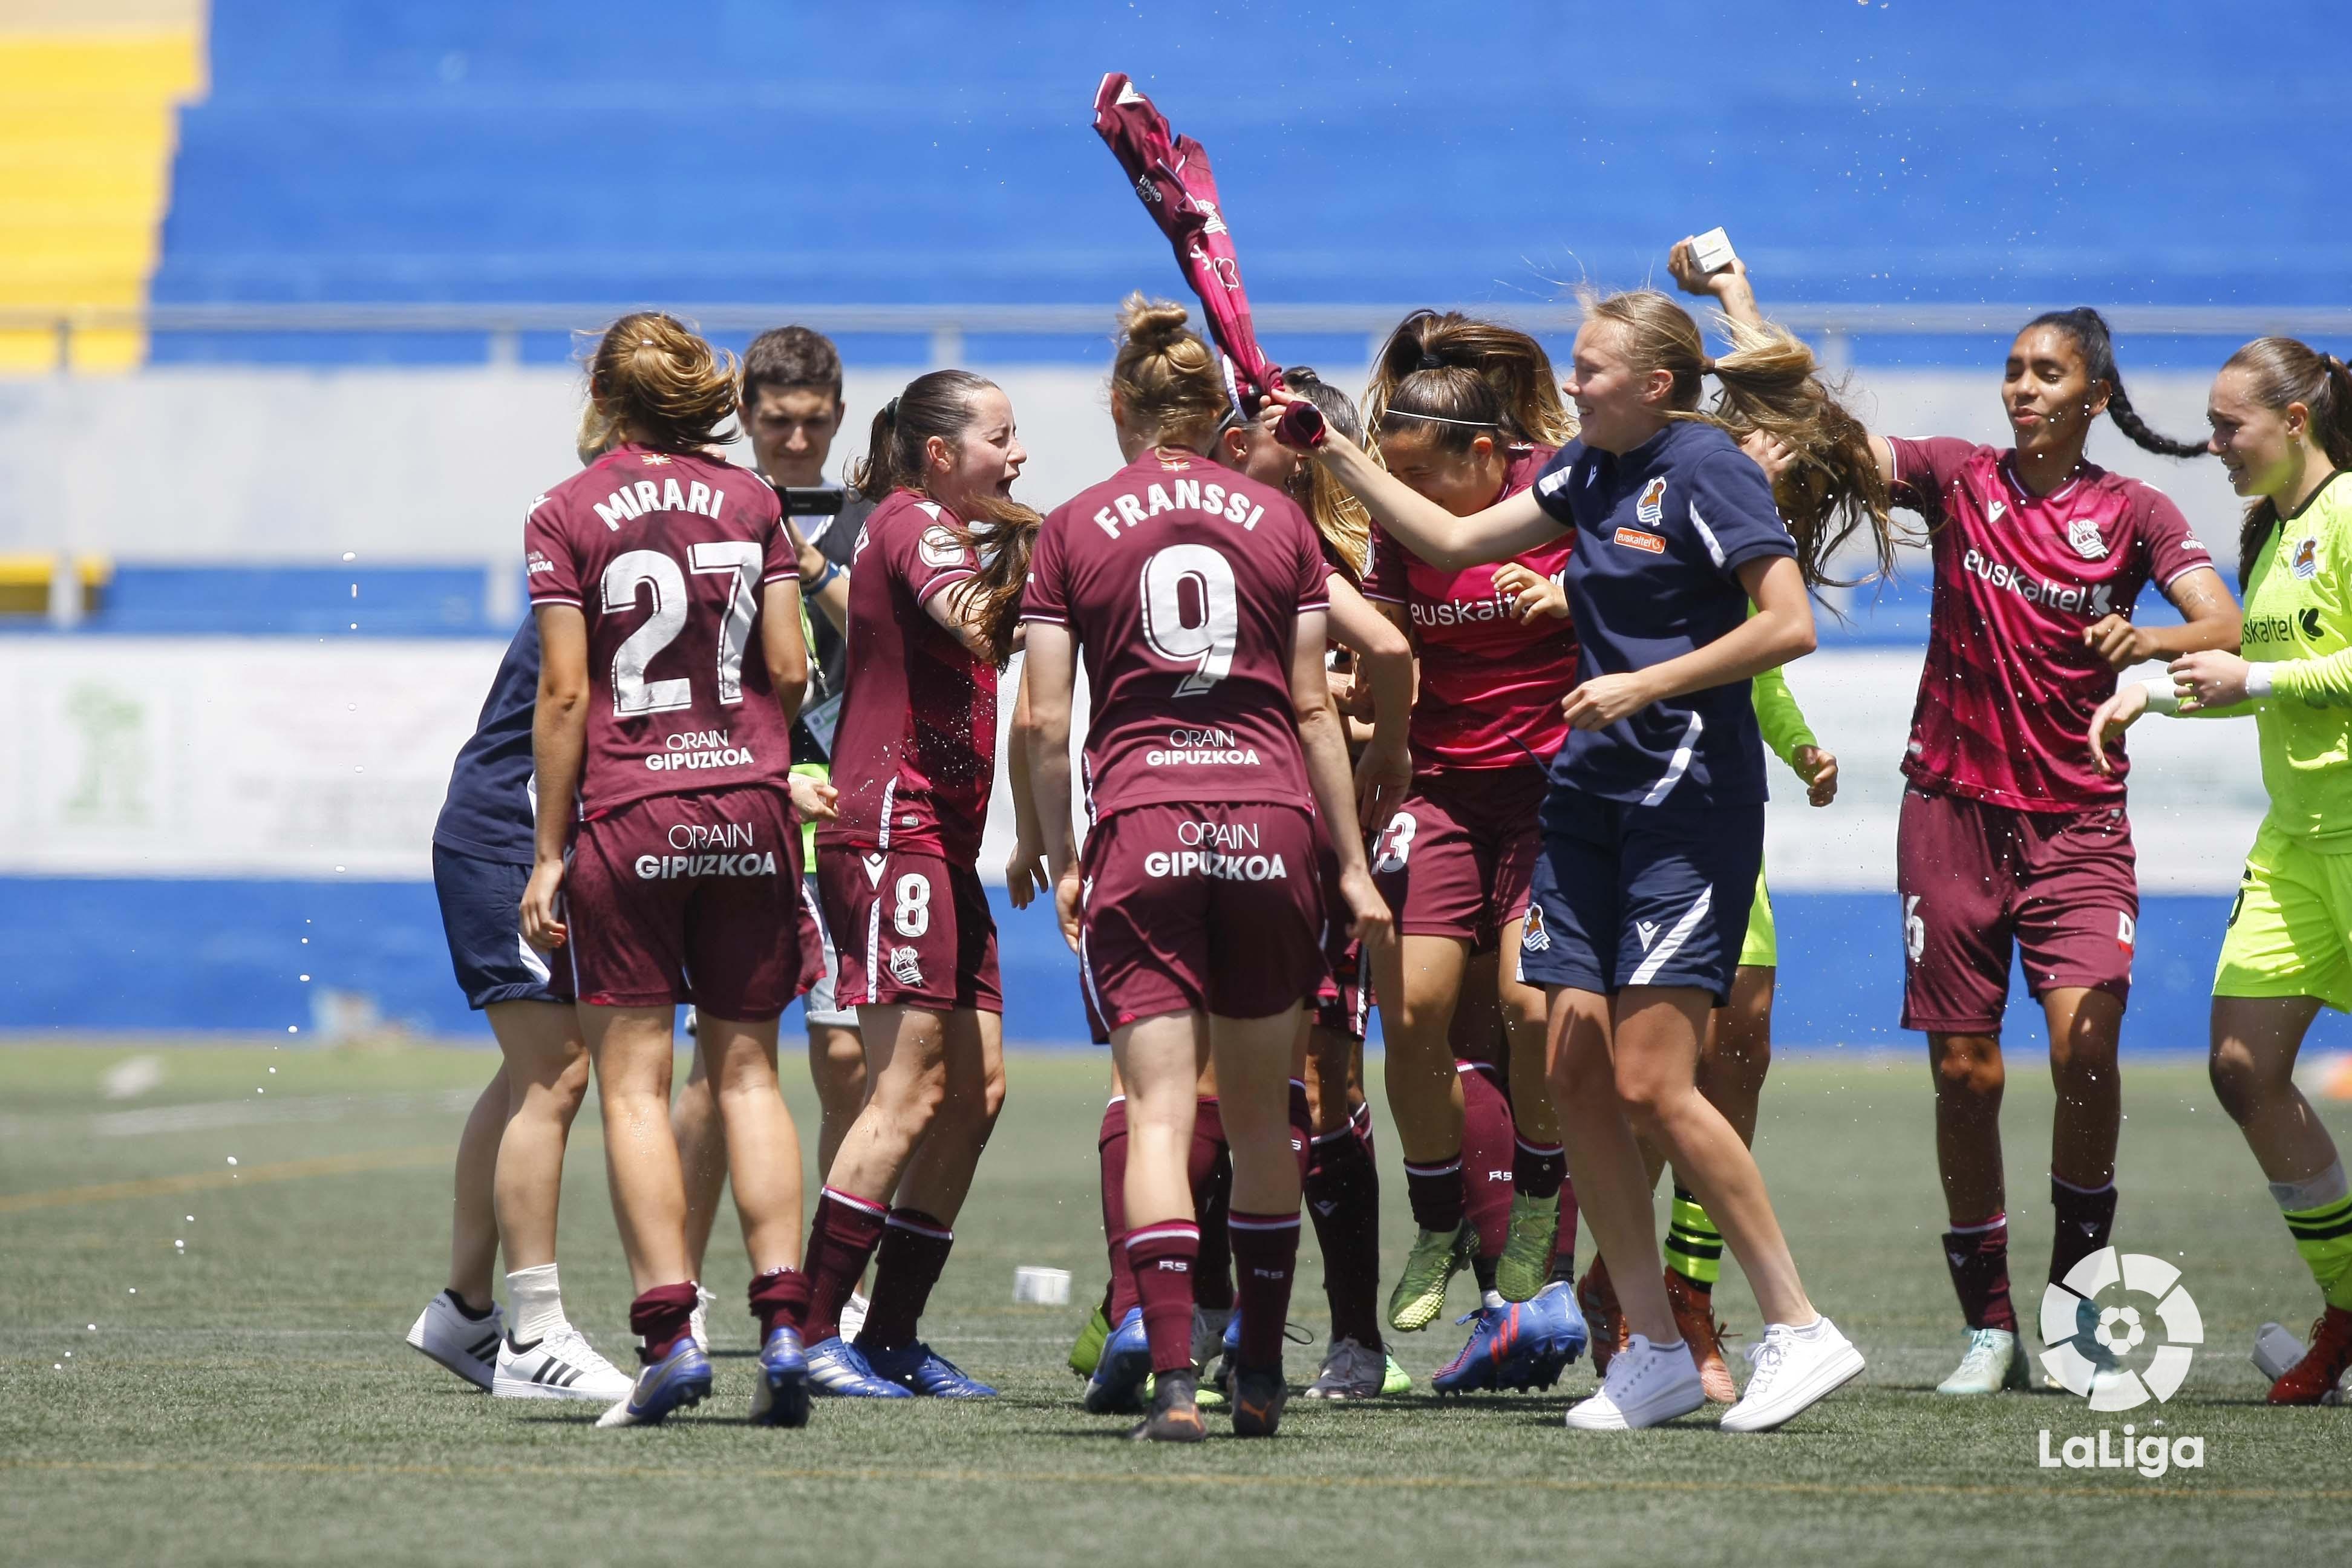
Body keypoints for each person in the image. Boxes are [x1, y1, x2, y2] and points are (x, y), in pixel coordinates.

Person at [1267, 284, 1891, 1432]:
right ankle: (1647, 1347)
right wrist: (1338, 456)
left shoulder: (1706, 469)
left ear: (1656, 383)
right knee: (1573, 1072)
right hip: (1590, 807)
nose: (1573, 382)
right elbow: (1449, 537)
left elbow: (1786, 622)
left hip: (1684, 803)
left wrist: (1645, 682)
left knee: (1655, 1082)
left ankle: (1799, 1327)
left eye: (1593, 366)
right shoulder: (1589, 472)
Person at [1699, 246, 2243, 1396]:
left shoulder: (2136, 512)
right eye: (2011, 371)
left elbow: (2223, 626)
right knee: (1966, 1074)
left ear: (2093, 394)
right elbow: (1821, 426)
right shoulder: (1958, 478)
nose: (2023, 389)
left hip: (2079, 828)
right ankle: (1990, 1327)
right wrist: (1740, 305)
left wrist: (2147, 642)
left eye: (2047, 374)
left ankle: (2078, 1302)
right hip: (1947, 818)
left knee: (2087, 1051)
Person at [1022, 296, 1392, 1440]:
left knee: (1161, 1107)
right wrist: (1350, 861)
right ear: (1219, 413)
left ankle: (1176, 1382)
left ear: (1121, 404)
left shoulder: (1075, 524)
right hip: (1273, 819)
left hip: (1148, 819)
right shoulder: (1280, 524)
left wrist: (1062, 848)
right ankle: (1265, 1383)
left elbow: (1043, 720)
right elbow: (1315, 708)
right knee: (1267, 1120)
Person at [518, 311, 817, 1429]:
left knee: (636, 1085)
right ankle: (787, 1325)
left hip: (632, 814)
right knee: (747, 1076)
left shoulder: (566, 509)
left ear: (606, 394)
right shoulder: (754, 503)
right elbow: (788, 666)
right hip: (748, 802)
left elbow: (564, 695)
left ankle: (669, 1337)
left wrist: (549, 853)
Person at [1503, 533, 1840, 1402]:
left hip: (1710, 849)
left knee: (1727, 1071)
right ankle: (1630, 1290)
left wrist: (1802, 750)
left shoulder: (1730, 576)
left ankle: (1692, 1301)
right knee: (1636, 1083)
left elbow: (1766, 678)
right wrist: (1560, 594)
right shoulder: (1620, 547)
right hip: (1627, 840)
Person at [2090, 335, 2352, 1404]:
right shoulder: (2270, 534)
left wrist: (2259, 670)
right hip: (2297, 844)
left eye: (2230, 425)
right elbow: (2257, 681)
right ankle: (2349, 1313)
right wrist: (2145, 696)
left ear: (2296, 422)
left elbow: (2277, 673)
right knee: (2243, 1065)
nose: (2215, 444)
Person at [799, 368, 1030, 1398]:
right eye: (1001, 437)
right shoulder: (921, 525)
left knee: (977, 1089)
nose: (1017, 455)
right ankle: (805, 1334)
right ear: (941, 453)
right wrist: (1080, 571)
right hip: (895, 827)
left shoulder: (919, 526)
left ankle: (890, 1336)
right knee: (908, 1089)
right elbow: (980, 622)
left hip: (941, 839)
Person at [403, 408, 639, 1407]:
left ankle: (463, 1313)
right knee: (559, 1069)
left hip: (520, 834)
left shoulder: (621, 546)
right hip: (510, 836)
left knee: (531, 1071)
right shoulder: (605, 556)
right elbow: (566, 703)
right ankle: (533, 1334)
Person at [671, 324, 878, 1349]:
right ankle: (687, 1285)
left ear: (838, 416)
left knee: (850, 1064)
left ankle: (833, 1287)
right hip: (734, 810)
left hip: (844, 814)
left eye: (813, 422)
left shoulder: (871, 521)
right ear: (745, 416)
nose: (795, 440)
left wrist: (808, 563)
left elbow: (904, 641)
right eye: (776, 421)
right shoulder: (708, 511)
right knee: (719, 1065)